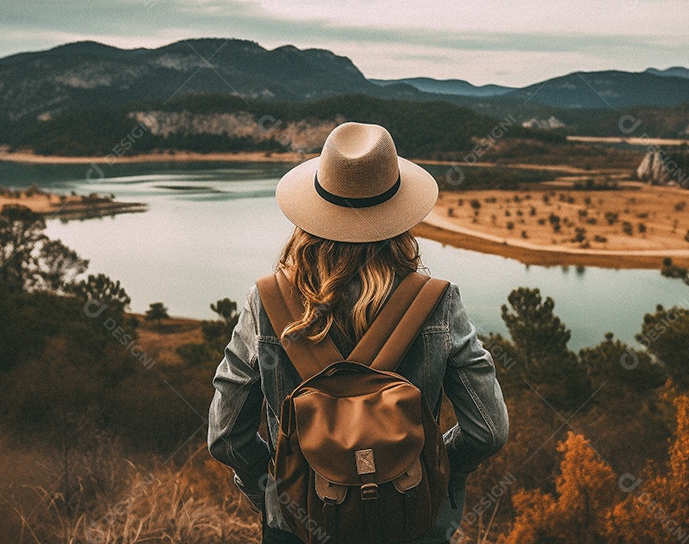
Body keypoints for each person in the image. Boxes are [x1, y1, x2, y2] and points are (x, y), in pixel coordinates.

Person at [207, 122, 509, 543]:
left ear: (312, 212)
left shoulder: (267, 303)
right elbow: (488, 430)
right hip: (412, 518)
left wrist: (278, 491)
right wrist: (432, 467)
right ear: (398, 213)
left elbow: (225, 436)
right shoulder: (438, 302)